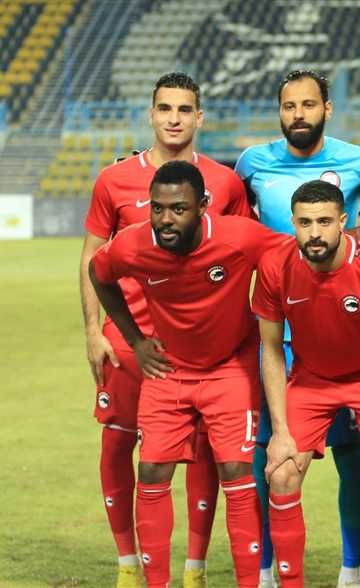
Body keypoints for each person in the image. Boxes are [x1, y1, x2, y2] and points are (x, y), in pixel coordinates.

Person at [79, 72, 252, 588]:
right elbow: (93, 258)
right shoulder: (113, 180)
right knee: (118, 444)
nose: (174, 119)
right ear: (151, 114)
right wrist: (93, 332)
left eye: (184, 110)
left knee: (204, 450)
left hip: (199, 345)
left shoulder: (225, 183)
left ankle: (195, 568)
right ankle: (128, 564)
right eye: (165, 108)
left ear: (200, 117)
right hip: (129, 337)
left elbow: (240, 252)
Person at [88, 160, 290, 588]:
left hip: (229, 368)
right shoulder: (133, 245)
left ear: (202, 207)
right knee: (152, 471)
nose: (165, 219)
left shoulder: (239, 237)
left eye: (178, 209)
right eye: (157, 208)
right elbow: (98, 273)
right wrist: (135, 339)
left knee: (236, 471)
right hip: (170, 370)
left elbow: (297, 253)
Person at [234, 69, 360, 587]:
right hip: (276, 331)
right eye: (289, 106)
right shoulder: (251, 163)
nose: (298, 114)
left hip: (340, 331)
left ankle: (351, 569)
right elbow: (225, 212)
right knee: (271, 453)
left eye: (308, 104)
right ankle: (267, 570)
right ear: (279, 111)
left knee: (351, 455)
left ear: (327, 108)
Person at [252, 180, 360, 588]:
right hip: (312, 379)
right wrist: (280, 432)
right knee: (281, 472)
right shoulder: (275, 266)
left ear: (343, 221)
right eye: (305, 223)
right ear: (293, 223)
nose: (315, 233)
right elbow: (271, 350)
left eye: (324, 222)